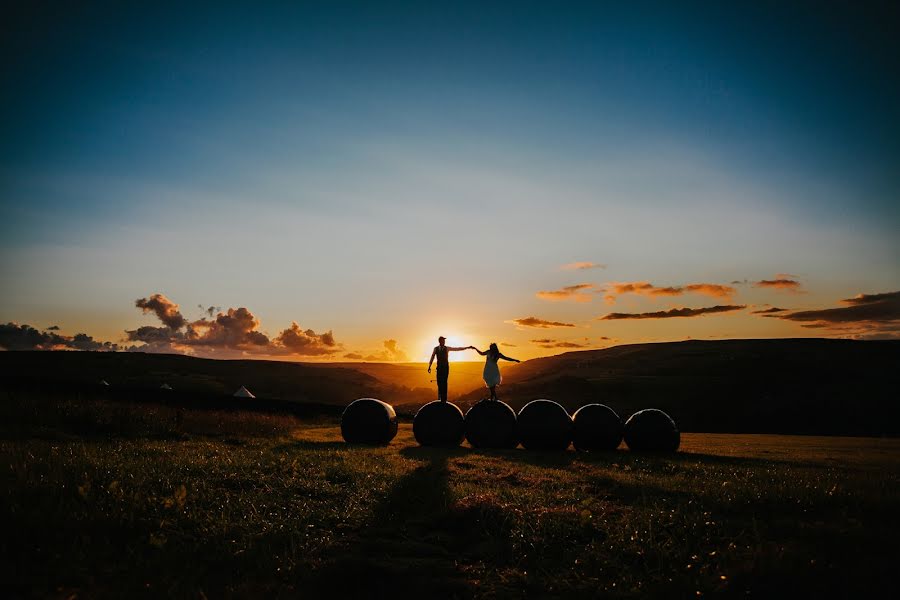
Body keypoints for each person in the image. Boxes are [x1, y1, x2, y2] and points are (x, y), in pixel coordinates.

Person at [427, 336, 475, 402]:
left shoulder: (447, 348)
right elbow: (432, 356)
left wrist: (467, 347)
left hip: (445, 368)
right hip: (439, 368)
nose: (444, 342)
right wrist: (429, 366)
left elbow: (457, 349)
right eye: (443, 340)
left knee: (444, 382)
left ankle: (444, 399)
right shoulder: (436, 349)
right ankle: (441, 397)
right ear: (440, 341)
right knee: (439, 382)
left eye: (444, 341)